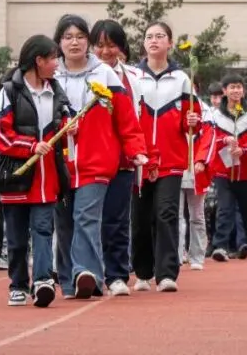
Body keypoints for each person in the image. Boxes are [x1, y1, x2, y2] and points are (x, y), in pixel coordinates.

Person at [53, 15, 146, 300]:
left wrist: (136, 149)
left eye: (80, 36)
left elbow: (125, 117)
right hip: (60, 163)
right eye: (68, 37)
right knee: (65, 222)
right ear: (59, 42)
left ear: (88, 42)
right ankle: (70, 282)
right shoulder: (50, 75)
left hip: (96, 161)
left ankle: (87, 273)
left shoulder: (104, 74)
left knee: (86, 218)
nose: (75, 42)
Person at [0, 35, 71, 308]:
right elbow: (0, 133)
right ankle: (18, 284)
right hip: (17, 175)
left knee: (43, 229)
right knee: (16, 237)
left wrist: (71, 127)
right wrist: (30, 146)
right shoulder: (9, 91)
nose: (57, 64)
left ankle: (43, 281)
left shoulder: (56, 91)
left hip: (48, 176)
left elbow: (66, 119)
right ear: (39, 61)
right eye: (53, 59)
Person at [132, 21, 202, 293]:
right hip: (139, 159)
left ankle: (167, 273)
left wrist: (193, 121)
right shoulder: (133, 76)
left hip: (171, 158)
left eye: (160, 36)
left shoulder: (183, 79)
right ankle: (142, 272)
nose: (154, 40)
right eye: (149, 36)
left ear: (170, 43)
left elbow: (191, 123)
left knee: (167, 214)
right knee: (139, 219)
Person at [89, 19, 144, 296]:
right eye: (99, 45)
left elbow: (138, 118)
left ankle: (117, 274)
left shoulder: (134, 77)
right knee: (87, 218)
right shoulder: (85, 74)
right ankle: (86, 270)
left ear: (121, 47)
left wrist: (141, 153)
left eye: (111, 45)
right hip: (91, 159)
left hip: (123, 159)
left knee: (118, 219)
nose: (105, 51)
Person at [204, 73, 247, 261]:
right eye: (232, 87)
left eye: (239, 87)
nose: (236, 91)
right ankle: (220, 247)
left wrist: (244, 149)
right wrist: (224, 140)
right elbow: (210, 139)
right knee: (224, 209)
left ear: (243, 90)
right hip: (223, 172)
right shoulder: (215, 116)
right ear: (224, 91)